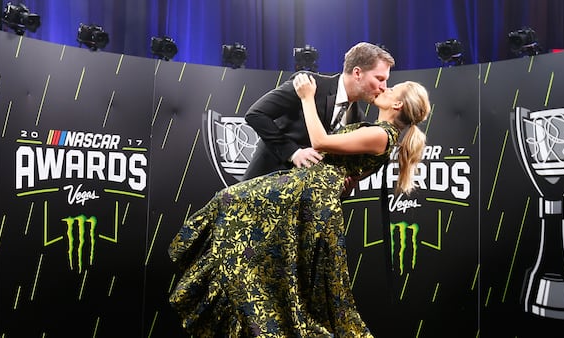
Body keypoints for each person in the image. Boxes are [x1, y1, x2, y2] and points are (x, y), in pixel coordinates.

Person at [168, 73, 431, 337]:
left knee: (230, 201)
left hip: (310, 197)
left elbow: (320, 142)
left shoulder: (381, 134)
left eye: (392, 87)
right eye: (383, 79)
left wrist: (307, 98)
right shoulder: (377, 132)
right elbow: (350, 174)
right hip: (308, 190)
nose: (385, 87)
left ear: (397, 105)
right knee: (268, 256)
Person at [242, 42, 395, 182]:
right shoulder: (309, 84)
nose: (384, 86)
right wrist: (293, 152)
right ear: (357, 73)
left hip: (304, 201)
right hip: (264, 186)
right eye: (379, 78)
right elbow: (256, 114)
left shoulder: (357, 117)